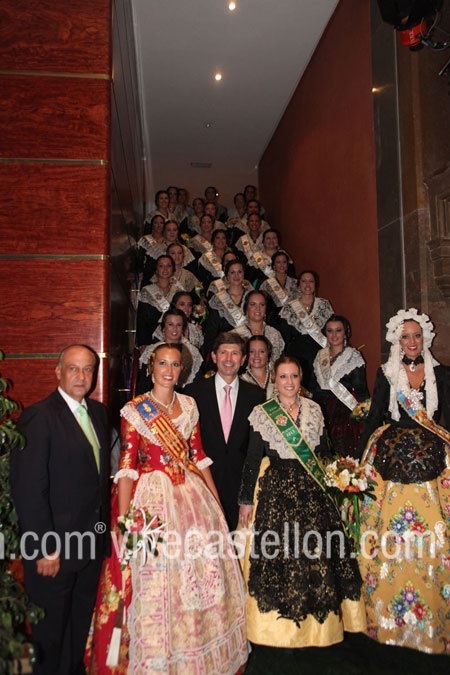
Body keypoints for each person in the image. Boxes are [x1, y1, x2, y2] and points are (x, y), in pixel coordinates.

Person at [88, 343, 248, 673]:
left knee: (200, 576)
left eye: (175, 364)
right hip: (151, 499)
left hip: (191, 497)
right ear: (151, 367)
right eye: (162, 363)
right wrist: (124, 519)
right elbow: (127, 465)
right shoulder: (136, 409)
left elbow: (198, 457)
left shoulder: (189, 405)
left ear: (182, 370)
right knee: (156, 577)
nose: (168, 370)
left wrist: (217, 504)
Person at [238, 356, 366, 648]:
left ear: (301, 378)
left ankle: (317, 626)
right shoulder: (263, 413)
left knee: (315, 553)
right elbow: (252, 459)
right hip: (277, 490)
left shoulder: (314, 409)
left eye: (294, 376)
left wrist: (339, 477)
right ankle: (278, 628)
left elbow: (323, 451)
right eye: (283, 376)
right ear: (275, 379)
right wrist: (245, 500)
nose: (289, 382)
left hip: (311, 489)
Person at [10, 345, 110, 674]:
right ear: (58, 372)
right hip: (53, 550)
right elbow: (29, 490)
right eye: (73, 368)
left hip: (89, 546)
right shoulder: (39, 417)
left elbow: (97, 483)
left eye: (88, 369)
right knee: (50, 637)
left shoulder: (98, 413)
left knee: (77, 630)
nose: (81, 376)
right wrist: (44, 548)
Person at [357, 308, 450, 654]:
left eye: (417, 336)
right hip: (392, 458)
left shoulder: (443, 373)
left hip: (434, 459)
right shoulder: (386, 373)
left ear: (425, 339)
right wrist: (360, 459)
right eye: (406, 336)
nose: (412, 342)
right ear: (398, 340)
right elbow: (375, 416)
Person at [186, 332, 265, 529]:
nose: (229, 359)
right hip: (203, 482)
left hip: (240, 486)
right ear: (214, 357)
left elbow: (256, 447)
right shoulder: (193, 393)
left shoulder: (256, 396)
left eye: (235, 353)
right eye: (223, 353)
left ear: (243, 359)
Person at [310, 315, 369, 457]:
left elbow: (361, 390)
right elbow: (313, 385)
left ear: (345, 333)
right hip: (320, 409)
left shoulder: (353, 356)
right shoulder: (320, 355)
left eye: (338, 330)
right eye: (330, 331)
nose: (334, 335)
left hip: (343, 412)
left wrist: (366, 417)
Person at [280, 269, 334, 388]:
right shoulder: (289, 308)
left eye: (311, 281)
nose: (307, 284)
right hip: (297, 355)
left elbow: (330, 332)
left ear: (316, 284)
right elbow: (285, 337)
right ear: (299, 284)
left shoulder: (324, 305)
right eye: (304, 281)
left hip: (319, 354)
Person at [137, 309, 204, 392]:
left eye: (178, 325)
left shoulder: (192, 352)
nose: (175, 329)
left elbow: (198, 384)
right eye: (170, 324)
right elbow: (143, 383)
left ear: (183, 328)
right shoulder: (152, 350)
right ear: (163, 328)